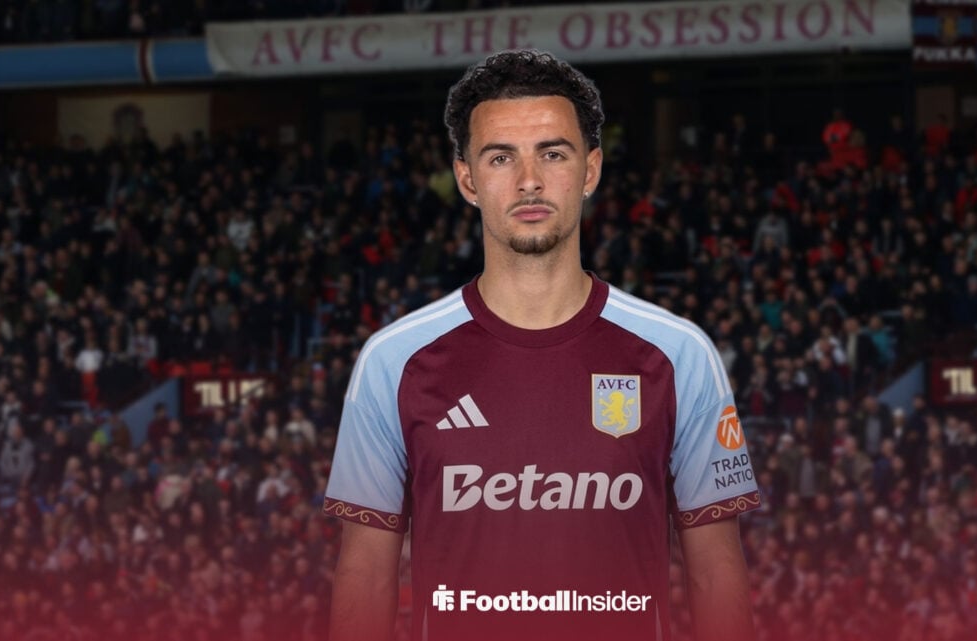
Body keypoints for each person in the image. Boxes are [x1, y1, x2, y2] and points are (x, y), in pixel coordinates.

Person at [325, 50, 760, 641]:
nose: (528, 180)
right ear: (467, 179)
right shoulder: (392, 362)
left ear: (591, 170)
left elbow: (716, 576)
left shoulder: (679, 355)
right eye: (501, 157)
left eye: (553, 153)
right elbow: (365, 580)